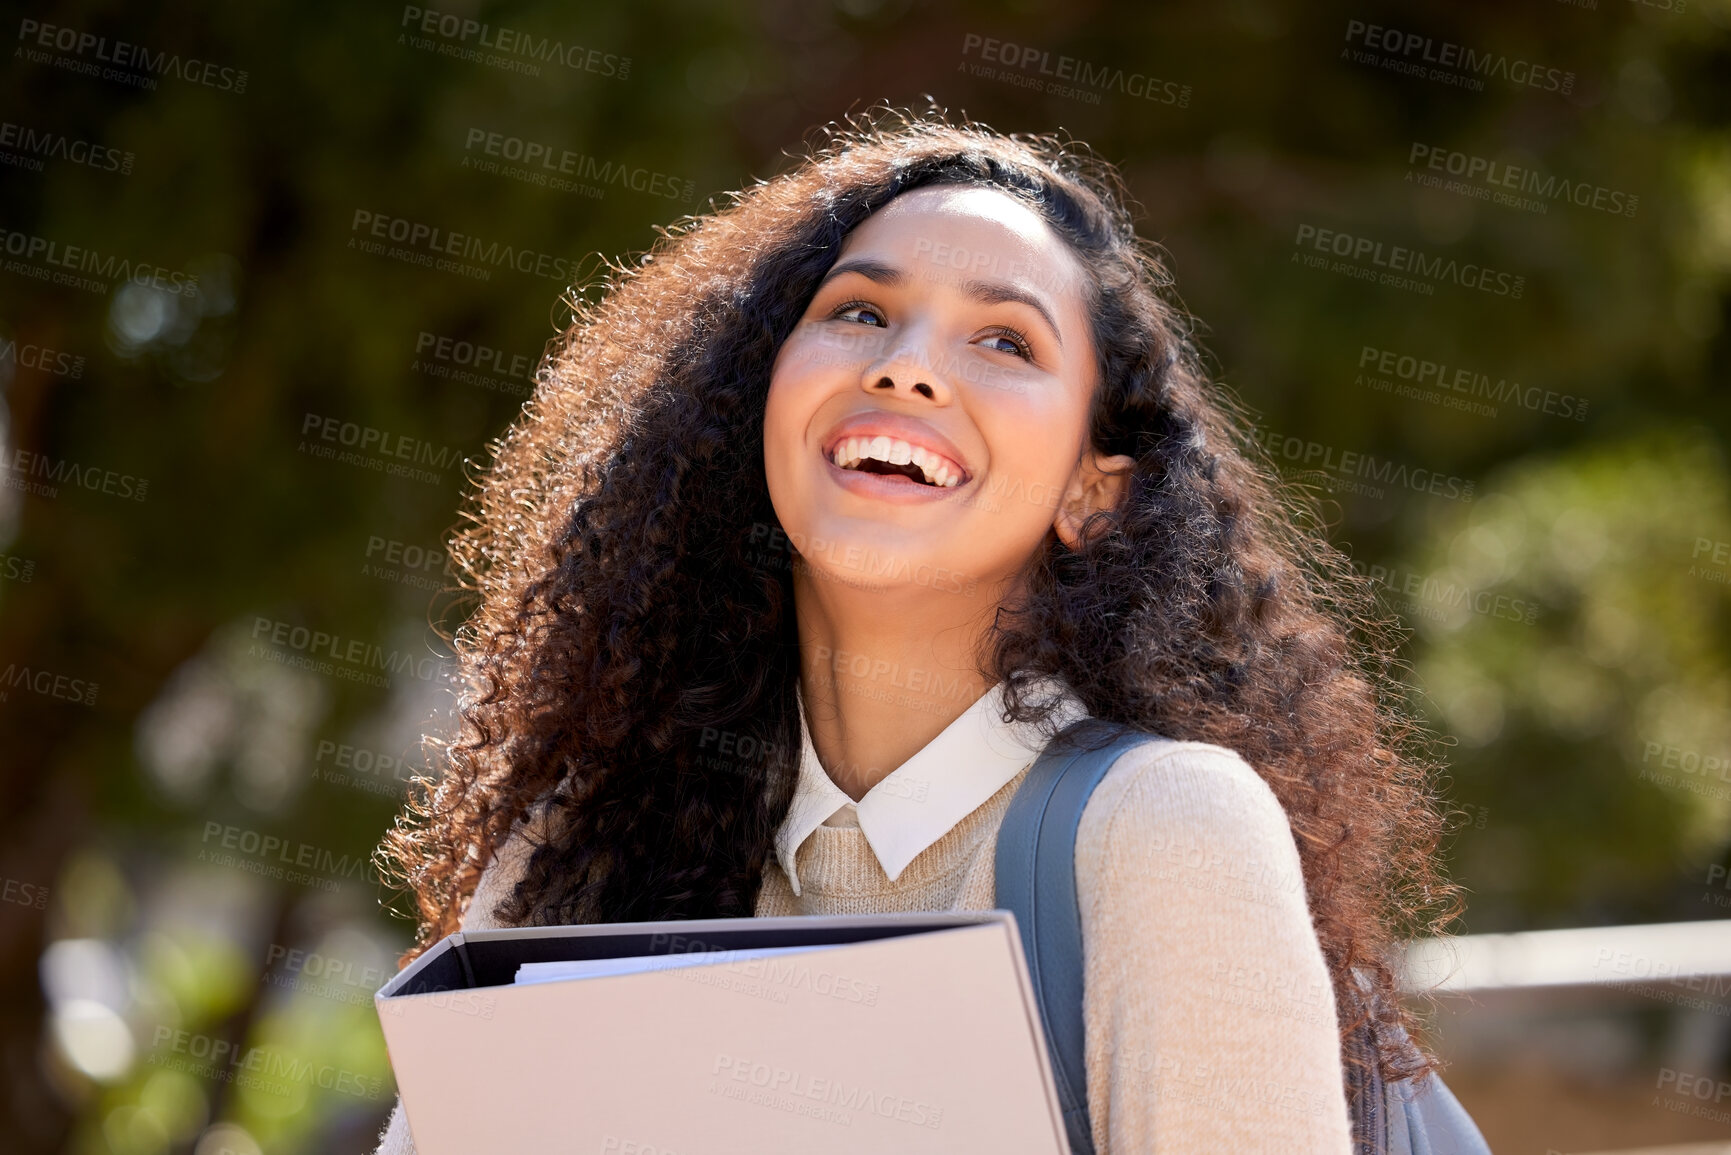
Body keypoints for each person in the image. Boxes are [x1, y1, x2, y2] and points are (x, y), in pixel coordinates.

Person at [371, 107, 1458, 1154]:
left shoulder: (1165, 832)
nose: (907, 364)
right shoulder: (580, 851)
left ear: (1095, 492)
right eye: (859, 312)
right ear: (754, 410)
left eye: (1005, 339)